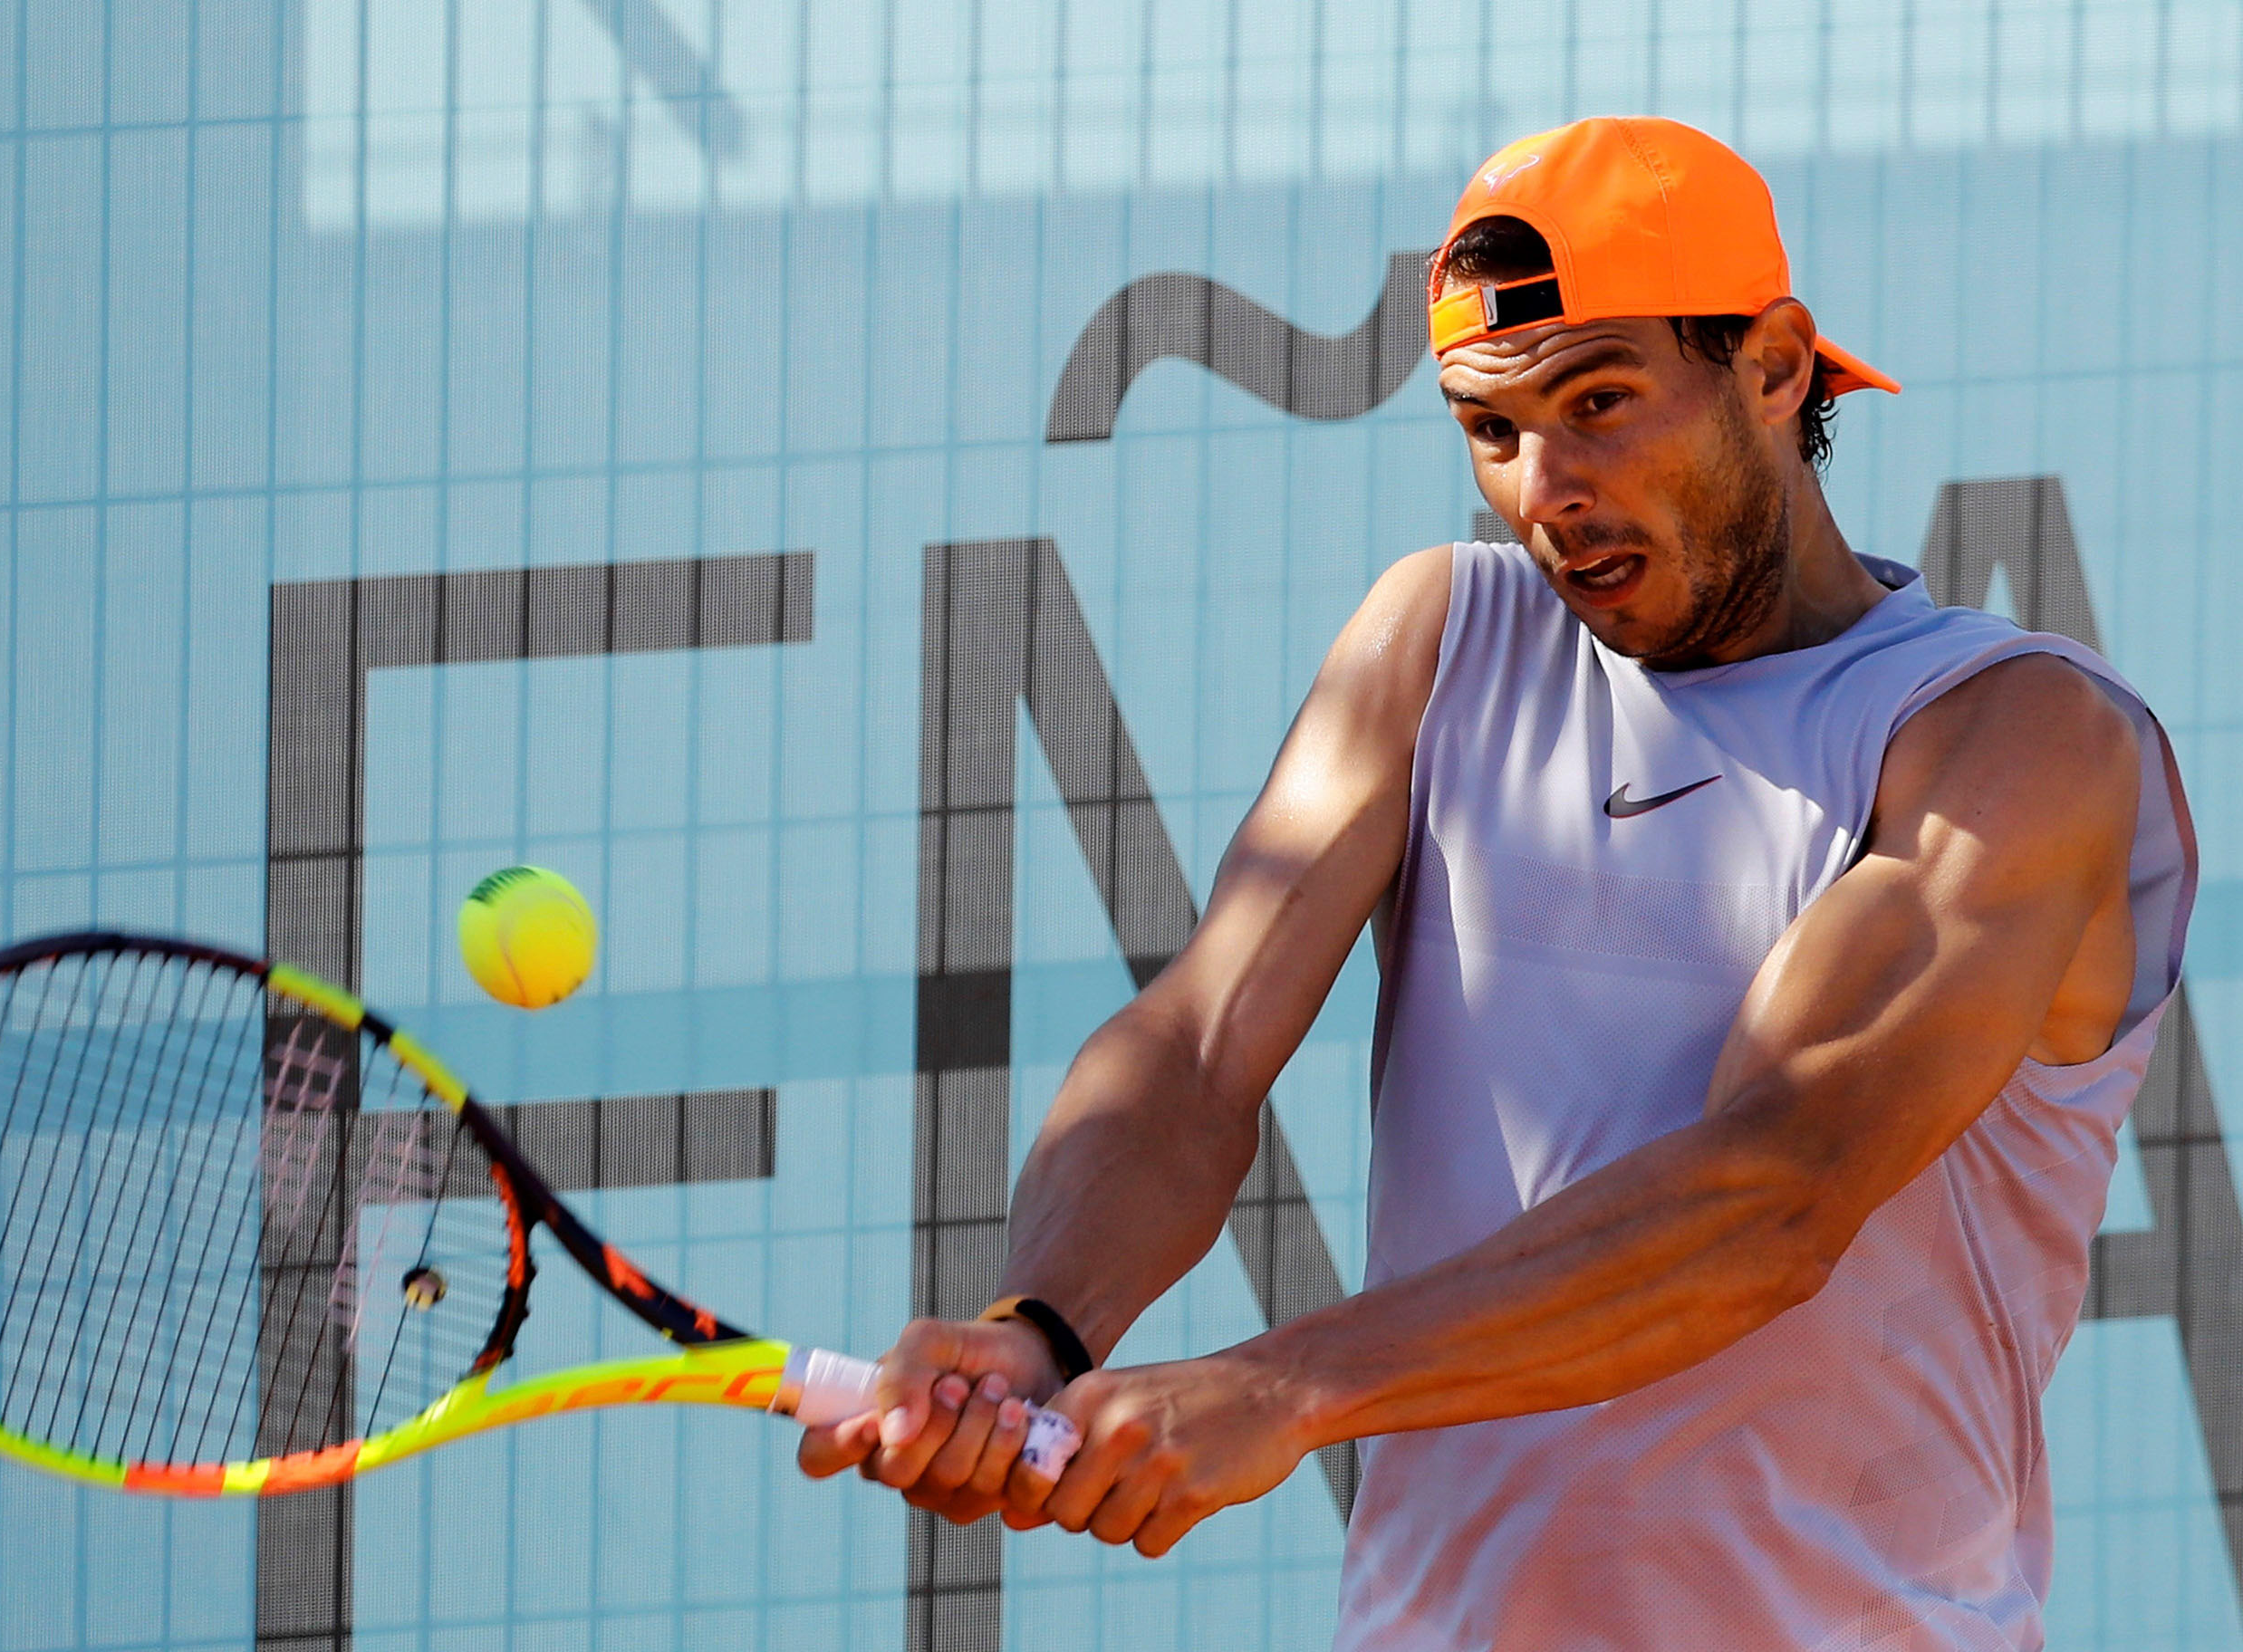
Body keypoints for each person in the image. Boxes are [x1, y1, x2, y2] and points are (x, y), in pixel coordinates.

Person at [799, 116, 2197, 1648]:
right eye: (1492, 427)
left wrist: (1284, 1385)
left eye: (1601, 401)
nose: (1547, 487)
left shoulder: (2017, 738)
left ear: (1779, 366)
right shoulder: (1436, 639)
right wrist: (1043, 1326)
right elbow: (1197, 1049)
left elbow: (1771, 1199)